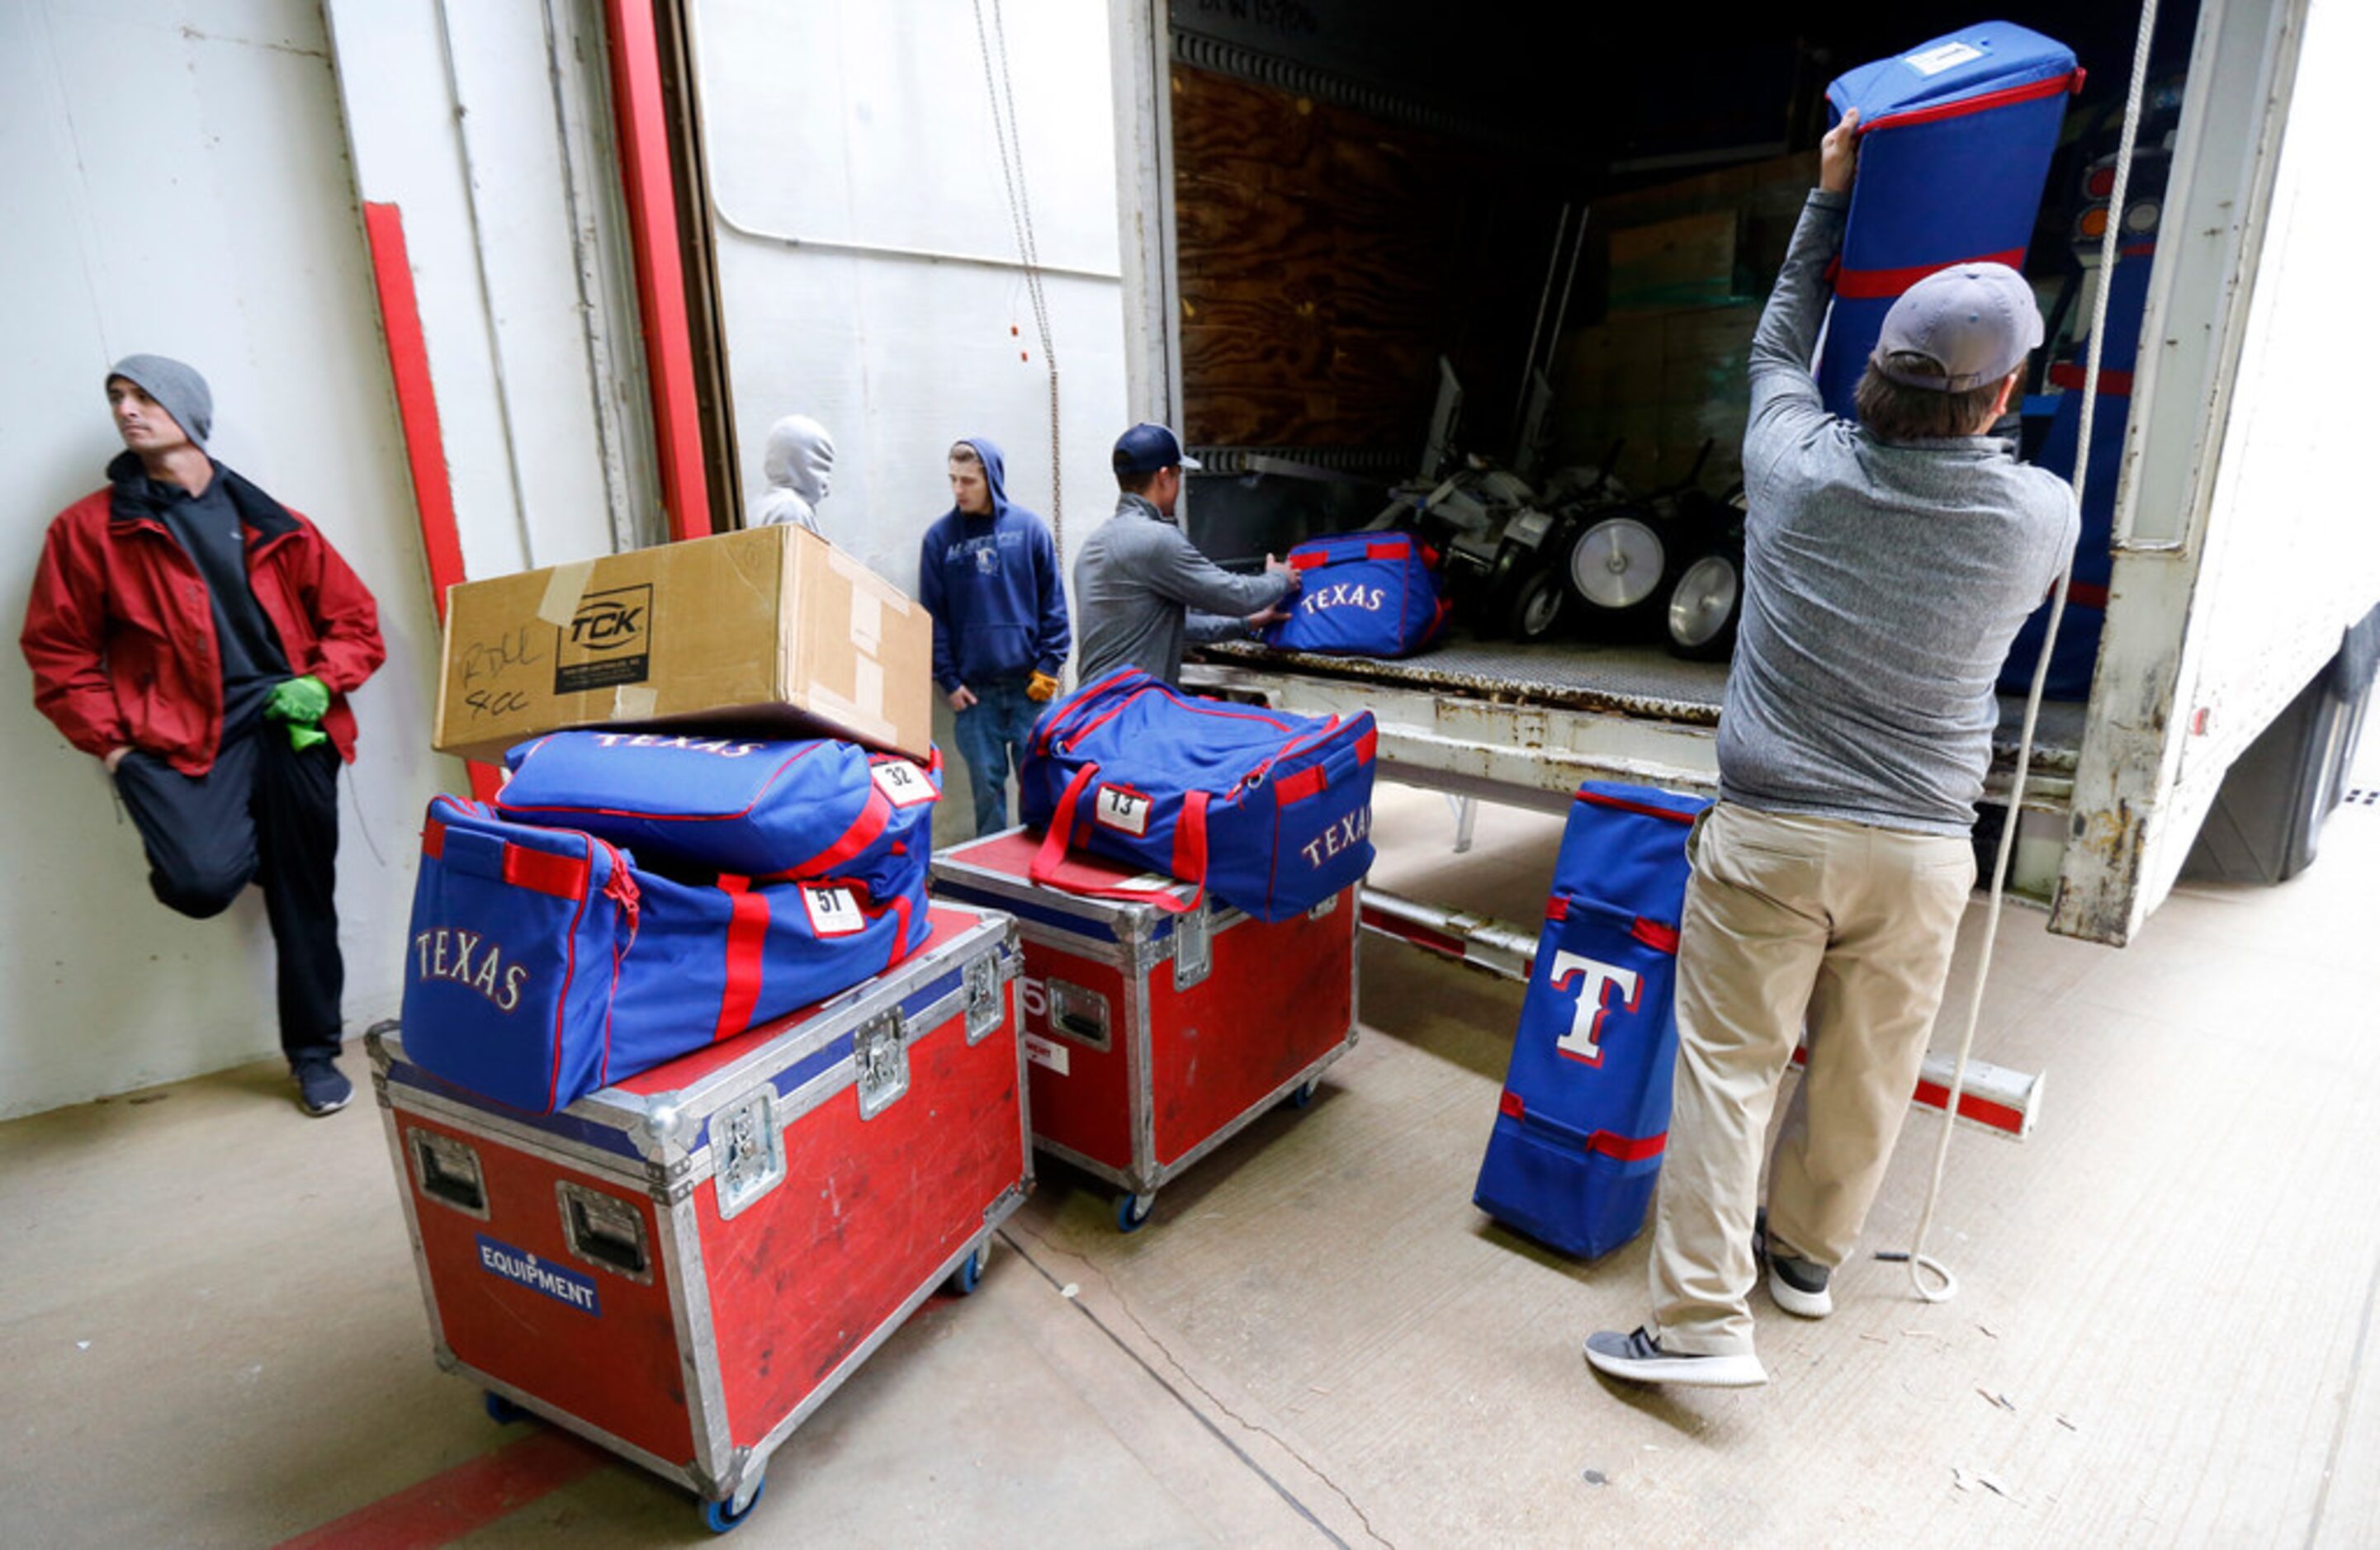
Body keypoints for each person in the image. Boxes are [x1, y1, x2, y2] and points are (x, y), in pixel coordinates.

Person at [1584, 111, 2078, 1387]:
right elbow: (2001, 480)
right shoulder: (2035, 518)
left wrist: (1827, 201)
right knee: (1868, 1067)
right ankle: (1803, 1259)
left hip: (1766, 834)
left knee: (1727, 1072)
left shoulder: (1791, 466)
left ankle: (1697, 1323)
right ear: (2001, 394)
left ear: (1876, 367)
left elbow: (1770, 344)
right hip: (1919, 850)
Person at [20, 356, 387, 1118]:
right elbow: (58, 653)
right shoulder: (89, 531)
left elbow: (353, 621)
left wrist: (322, 682)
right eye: (116, 397)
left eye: (144, 395)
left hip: (291, 733)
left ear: (188, 410)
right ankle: (229, 841)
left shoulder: (268, 518)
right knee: (197, 881)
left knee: (303, 899)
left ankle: (315, 1055)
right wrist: (115, 749)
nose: (126, 409)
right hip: (183, 741)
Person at [917, 437, 1072, 835]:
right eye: (953, 480)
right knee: (986, 796)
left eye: (967, 481)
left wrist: (1050, 665)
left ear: (991, 478)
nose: (958, 490)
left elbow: (1053, 603)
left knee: (1039, 789)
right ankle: (993, 882)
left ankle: (1043, 880)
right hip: (975, 697)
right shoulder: (940, 540)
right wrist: (948, 682)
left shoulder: (1029, 530)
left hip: (1029, 690)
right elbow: (932, 619)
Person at [1072, 423, 1294, 688]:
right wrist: (1280, 579)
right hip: (1131, 712)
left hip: (1094, 711)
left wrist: (1246, 623)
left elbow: (1175, 629)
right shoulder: (1154, 540)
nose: (1178, 486)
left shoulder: (1096, 544)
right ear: (1164, 476)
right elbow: (1236, 595)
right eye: (1178, 475)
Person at [752, 413, 835, 532]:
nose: (827, 487)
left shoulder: (757, 507)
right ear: (801, 464)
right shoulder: (792, 509)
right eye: (822, 468)